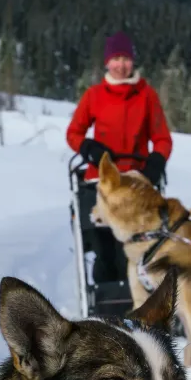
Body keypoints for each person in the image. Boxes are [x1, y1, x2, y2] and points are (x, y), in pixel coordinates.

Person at [67, 32, 173, 284]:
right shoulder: (94, 95)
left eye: (125, 59)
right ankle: (103, 298)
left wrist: (156, 161)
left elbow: (162, 138)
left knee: (132, 249)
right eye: (115, 59)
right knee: (104, 248)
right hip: (103, 182)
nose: (120, 65)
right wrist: (88, 148)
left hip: (137, 182)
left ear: (132, 62)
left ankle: (133, 300)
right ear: (107, 62)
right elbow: (73, 133)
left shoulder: (146, 95)